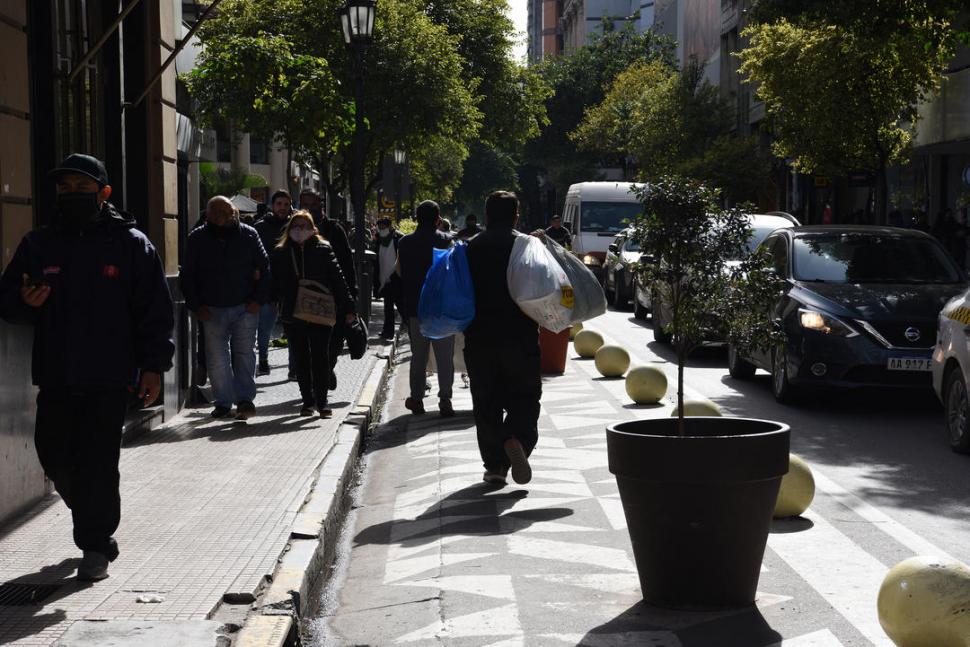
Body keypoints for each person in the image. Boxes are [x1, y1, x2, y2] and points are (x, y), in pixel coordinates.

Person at [0, 154, 175, 580]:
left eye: (82, 187)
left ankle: (95, 545)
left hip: (110, 375)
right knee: (53, 454)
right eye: (65, 188)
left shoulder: (132, 244)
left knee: (97, 461)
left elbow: (154, 311)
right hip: (56, 372)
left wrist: (154, 367)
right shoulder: (38, 244)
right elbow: (7, 300)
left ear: (104, 193)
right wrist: (24, 303)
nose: (72, 195)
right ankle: (93, 515)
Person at [465, 191, 541, 487]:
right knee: (525, 396)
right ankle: (517, 438)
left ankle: (495, 466)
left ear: (486, 215)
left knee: (486, 402)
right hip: (520, 336)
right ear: (516, 216)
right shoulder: (527, 246)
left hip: (479, 337)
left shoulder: (470, 247)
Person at [181, 195, 270, 420]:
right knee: (216, 358)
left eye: (223, 212)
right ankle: (222, 402)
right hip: (211, 309)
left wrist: (257, 301)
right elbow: (188, 275)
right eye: (213, 213)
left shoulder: (250, 235)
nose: (218, 217)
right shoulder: (197, 237)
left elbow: (265, 268)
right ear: (207, 214)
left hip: (244, 307)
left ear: (233, 213)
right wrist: (196, 304)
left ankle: (245, 400)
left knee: (244, 354)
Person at [271, 211, 357, 418]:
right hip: (293, 312)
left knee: (320, 357)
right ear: (289, 229)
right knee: (301, 359)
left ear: (313, 229)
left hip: (321, 309)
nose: (299, 230)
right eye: (296, 226)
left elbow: (338, 279)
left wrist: (348, 308)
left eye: (304, 226)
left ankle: (322, 402)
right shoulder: (281, 252)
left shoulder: (323, 249)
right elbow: (274, 280)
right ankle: (307, 402)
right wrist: (274, 300)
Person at [397, 200, 455, 417]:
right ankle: (445, 400)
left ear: (415, 218)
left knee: (418, 356)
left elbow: (399, 273)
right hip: (441, 309)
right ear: (438, 219)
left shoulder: (404, 243)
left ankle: (417, 399)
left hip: (416, 308)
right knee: (444, 357)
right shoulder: (447, 241)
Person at [299, 189, 357, 391]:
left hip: (333, 296)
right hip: (305, 296)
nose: (307, 209)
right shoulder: (295, 229)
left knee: (334, 342)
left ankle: (326, 369)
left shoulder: (334, 229)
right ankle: (318, 378)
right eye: (303, 204)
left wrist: (351, 295)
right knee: (309, 343)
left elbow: (347, 265)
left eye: (311, 204)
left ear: (320, 204)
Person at [253, 190, 293, 375]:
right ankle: (263, 359)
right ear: (272, 205)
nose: (282, 208)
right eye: (279, 204)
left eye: (286, 204)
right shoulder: (261, 227)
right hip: (268, 285)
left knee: (293, 328)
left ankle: (294, 368)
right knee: (265, 327)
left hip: (291, 284)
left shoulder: (295, 226)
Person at [370, 217, 403, 339]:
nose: (381, 229)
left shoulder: (398, 238)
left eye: (384, 226)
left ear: (389, 226)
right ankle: (388, 332)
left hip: (396, 277)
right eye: (380, 226)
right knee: (388, 307)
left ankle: (411, 329)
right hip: (384, 277)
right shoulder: (378, 240)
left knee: (401, 305)